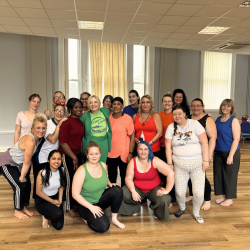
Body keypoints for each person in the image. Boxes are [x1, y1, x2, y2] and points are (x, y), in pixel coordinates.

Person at [165, 105, 209, 224]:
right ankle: (182, 208)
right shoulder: (170, 127)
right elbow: (168, 147)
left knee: (199, 193)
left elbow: (205, 143)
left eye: (179, 113)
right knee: (179, 192)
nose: (177, 116)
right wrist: (169, 163)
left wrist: (206, 160)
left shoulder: (194, 124)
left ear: (185, 114)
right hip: (179, 164)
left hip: (197, 164)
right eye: (175, 114)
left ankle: (196, 213)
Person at [0, 116, 47, 219]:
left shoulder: (37, 138)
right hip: (7, 162)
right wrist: (21, 176)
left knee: (27, 184)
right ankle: (17, 210)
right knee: (19, 185)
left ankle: (23, 207)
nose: (41, 130)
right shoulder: (30, 141)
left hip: (18, 163)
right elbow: (27, 162)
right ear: (33, 128)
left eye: (43, 128)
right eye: (38, 128)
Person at [72, 141, 125, 233]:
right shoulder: (81, 170)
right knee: (104, 227)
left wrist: (109, 184)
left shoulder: (103, 165)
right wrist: (91, 207)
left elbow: (105, 177)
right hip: (85, 205)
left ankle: (114, 219)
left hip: (99, 201)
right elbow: (75, 194)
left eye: (96, 154)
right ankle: (86, 219)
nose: (94, 156)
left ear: (100, 154)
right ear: (87, 155)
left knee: (117, 190)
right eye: (91, 154)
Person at [118, 141, 174, 221]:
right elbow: (128, 178)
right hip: (138, 188)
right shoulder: (133, 161)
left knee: (164, 199)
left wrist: (167, 190)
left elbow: (171, 173)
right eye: (140, 149)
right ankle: (134, 208)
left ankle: (157, 211)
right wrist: (133, 191)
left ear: (149, 150)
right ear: (137, 150)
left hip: (154, 189)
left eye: (145, 149)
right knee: (123, 193)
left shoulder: (155, 160)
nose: (143, 152)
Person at [14, 94, 47, 206]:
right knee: (25, 174)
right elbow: (17, 132)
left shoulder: (42, 116)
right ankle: (25, 201)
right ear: (29, 101)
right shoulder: (21, 114)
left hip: (37, 149)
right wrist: (16, 147)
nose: (36, 104)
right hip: (24, 148)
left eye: (38, 102)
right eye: (34, 101)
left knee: (38, 173)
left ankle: (37, 197)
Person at [186, 98, 217, 210]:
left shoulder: (207, 120)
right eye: (193, 106)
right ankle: (192, 194)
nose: (196, 108)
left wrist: (209, 154)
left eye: (198, 106)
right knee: (189, 176)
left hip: (201, 153)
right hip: (189, 153)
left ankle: (207, 200)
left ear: (203, 106)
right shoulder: (188, 118)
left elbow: (213, 138)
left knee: (201, 177)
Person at [32, 104, 67, 199]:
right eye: (57, 110)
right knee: (40, 181)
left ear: (65, 112)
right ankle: (39, 204)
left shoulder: (66, 122)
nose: (59, 113)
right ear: (53, 112)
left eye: (62, 111)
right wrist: (59, 124)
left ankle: (51, 200)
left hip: (55, 158)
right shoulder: (48, 123)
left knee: (52, 180)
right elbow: (52, 140)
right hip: (42, 157)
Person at [59, 98, 84, 218]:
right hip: (67, 155)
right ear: (70, 109)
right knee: (69, 181)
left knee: (76, 181)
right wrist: (74, 157)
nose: (79, 109)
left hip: (77, 154)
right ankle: (68, 208)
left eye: (80, 107)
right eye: (76, 107)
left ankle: (74, 204)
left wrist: (80, 156)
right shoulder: (66, 122)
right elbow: (63, 143)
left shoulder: (79, 121)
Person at [213, 99, 241, 207]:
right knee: (219, 175)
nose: (225, 108)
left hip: (230, 152)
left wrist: (230, 155)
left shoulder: (234, 120)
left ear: (231, 108)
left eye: (228, 106)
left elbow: (236, 139)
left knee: (230, 176)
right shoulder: (217, 119)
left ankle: (229, 199)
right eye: (224, 106)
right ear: (221, 107)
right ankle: (223, 196)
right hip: (218, 151)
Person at [107, 97, 135, 187]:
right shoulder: (108, 118)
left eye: (118, 104)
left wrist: (131, 153)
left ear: (122, 106)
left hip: (124, 153)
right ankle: (113, 196)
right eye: (114, 104)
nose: (116, 106)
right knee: (112, 177)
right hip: (110, 153)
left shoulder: (127, 118)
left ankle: (124, 198)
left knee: (124, 177)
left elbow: (132, 137)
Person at [36, 150, 66, 229]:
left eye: (59, 159)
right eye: (54, 158)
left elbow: (61, 186)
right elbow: (38, 192)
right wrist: (52, 201)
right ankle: (45, 215)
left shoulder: (62, 170)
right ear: (48, 160)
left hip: (55, 198)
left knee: (59, 226)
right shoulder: (42, 173)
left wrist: (59, 200)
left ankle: (49, 213)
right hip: (43, 200)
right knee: (58, 214)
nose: (56, 161)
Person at [80, 95, 112, 163]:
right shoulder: (85, 116)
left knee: (102, 163)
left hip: (104, 142)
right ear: (88, 104)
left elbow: (114, 111)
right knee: (91, 163)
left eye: (95, 102)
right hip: (91, 142)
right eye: (91, 102)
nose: (93, 104)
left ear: (99, 103)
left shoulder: (105, 110)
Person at [158, 92, 175, 206]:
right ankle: (163, 196)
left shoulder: (176, 115)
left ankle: (172, 198)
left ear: (172, 103)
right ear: (162, 103)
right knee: (162, 174)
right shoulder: (159, 115)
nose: (167, 103)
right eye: (165, 101)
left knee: (172, 173)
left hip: (173, 149)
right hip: (161, 147)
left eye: (169, 101)